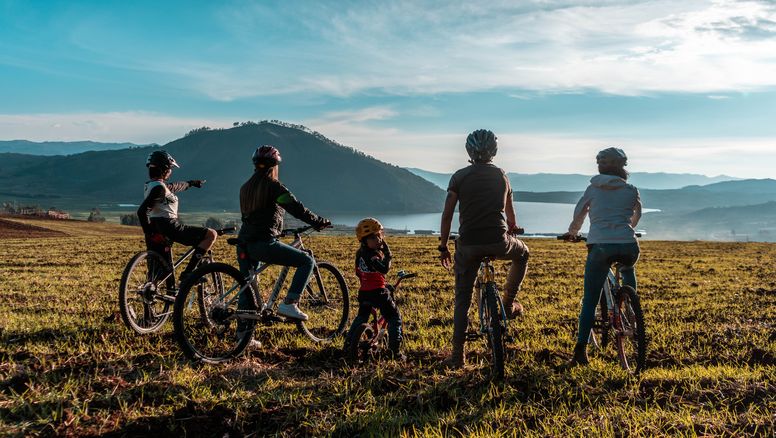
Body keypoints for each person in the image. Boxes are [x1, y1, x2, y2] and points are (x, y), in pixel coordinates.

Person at [438, 129, 530, 368]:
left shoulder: (459, 177)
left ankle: (458, 356)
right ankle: (508, 303)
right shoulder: (502, 176)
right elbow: (510, 213)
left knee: (462, 299)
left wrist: (443, 246)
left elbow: (448, 215)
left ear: (469, 151)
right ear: (494, 151)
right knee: (523, 253)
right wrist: (512, 227)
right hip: (499, 242)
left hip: (468, 245)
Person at [561, 147, 642, 366]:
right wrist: (628, 228)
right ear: (622, 167)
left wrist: (573, 233)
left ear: (600, 166)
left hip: (600, 245)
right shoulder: (632, 189)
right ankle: (632, 306)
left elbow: (580, 212)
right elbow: (637, 213)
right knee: (627, 269)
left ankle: (580, 353)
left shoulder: (593, 188)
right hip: (628, 244)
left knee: (589, 300)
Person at [237, 145, 331, 322]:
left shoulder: (245, 188)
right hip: (263, 244)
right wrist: (318, 221)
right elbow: (296, 208)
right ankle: (290, 303)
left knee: (247, 289)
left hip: (244, 243)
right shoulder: (273, 187)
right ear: (274, 166)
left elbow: (257, 218)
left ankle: (243, 337)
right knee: (307, 261)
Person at [137, 150, 216, 285]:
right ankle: (188, 273)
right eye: (170, 168)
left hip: (156, 226)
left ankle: (163, 294)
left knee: (161, 271)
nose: (171, 171)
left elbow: (176, 186)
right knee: (211, 235)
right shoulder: (160, 189)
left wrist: (191, 183)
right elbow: (141, 211)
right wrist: (149, 233)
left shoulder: (154, 186)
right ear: (164, 169)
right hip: (168, 225)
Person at [344, 218, 404, 360]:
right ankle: (394, 352)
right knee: (394, 318)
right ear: (364, 240)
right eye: (372, 237)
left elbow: (358, 273)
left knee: (361, 318)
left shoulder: (360, 254)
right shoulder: (373, 256)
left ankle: (348, 345)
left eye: (379, 235)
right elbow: (384, 269)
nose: (377, 239)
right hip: (378, 293)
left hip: (364, 292)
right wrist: (388, 255)